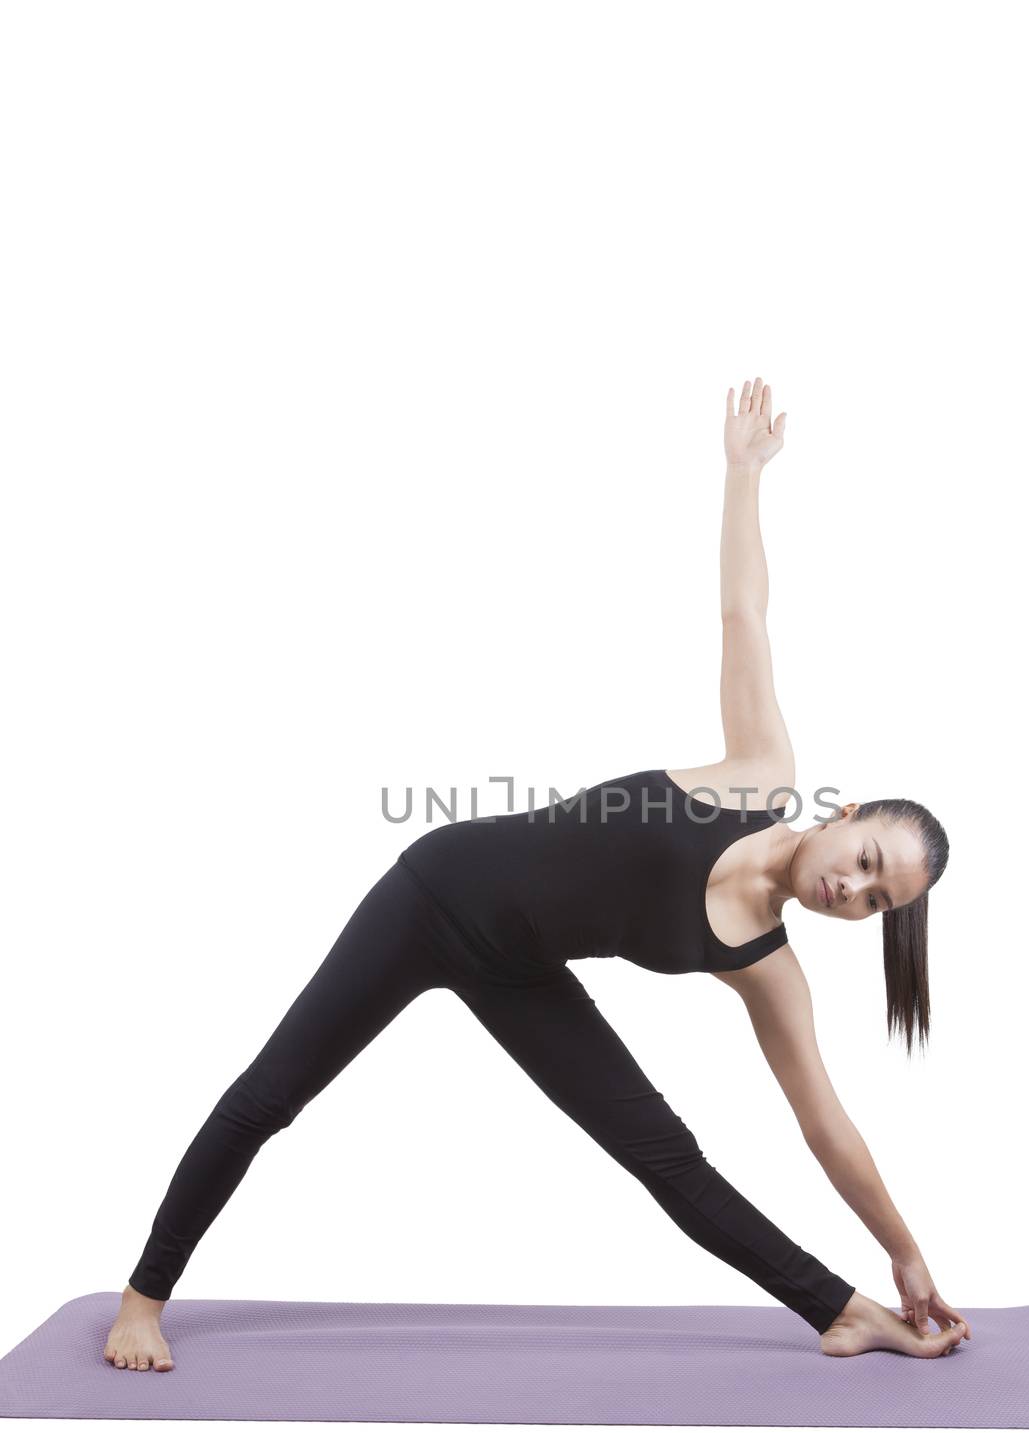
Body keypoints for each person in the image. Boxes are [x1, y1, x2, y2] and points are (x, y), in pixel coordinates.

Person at [104, 375, 970, 1374]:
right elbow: (743, 614)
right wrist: (743, 475)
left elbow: (824, 1122)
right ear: (844, 813)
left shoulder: (768, 966)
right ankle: (142, 1298)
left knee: (669, 1161)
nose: (850, 892)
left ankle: (842, 1308)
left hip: (517, 966)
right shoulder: (759, 773)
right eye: (864, 862)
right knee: (272, 1094)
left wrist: (903, 1252)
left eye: (874, 902)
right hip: (434, 894)